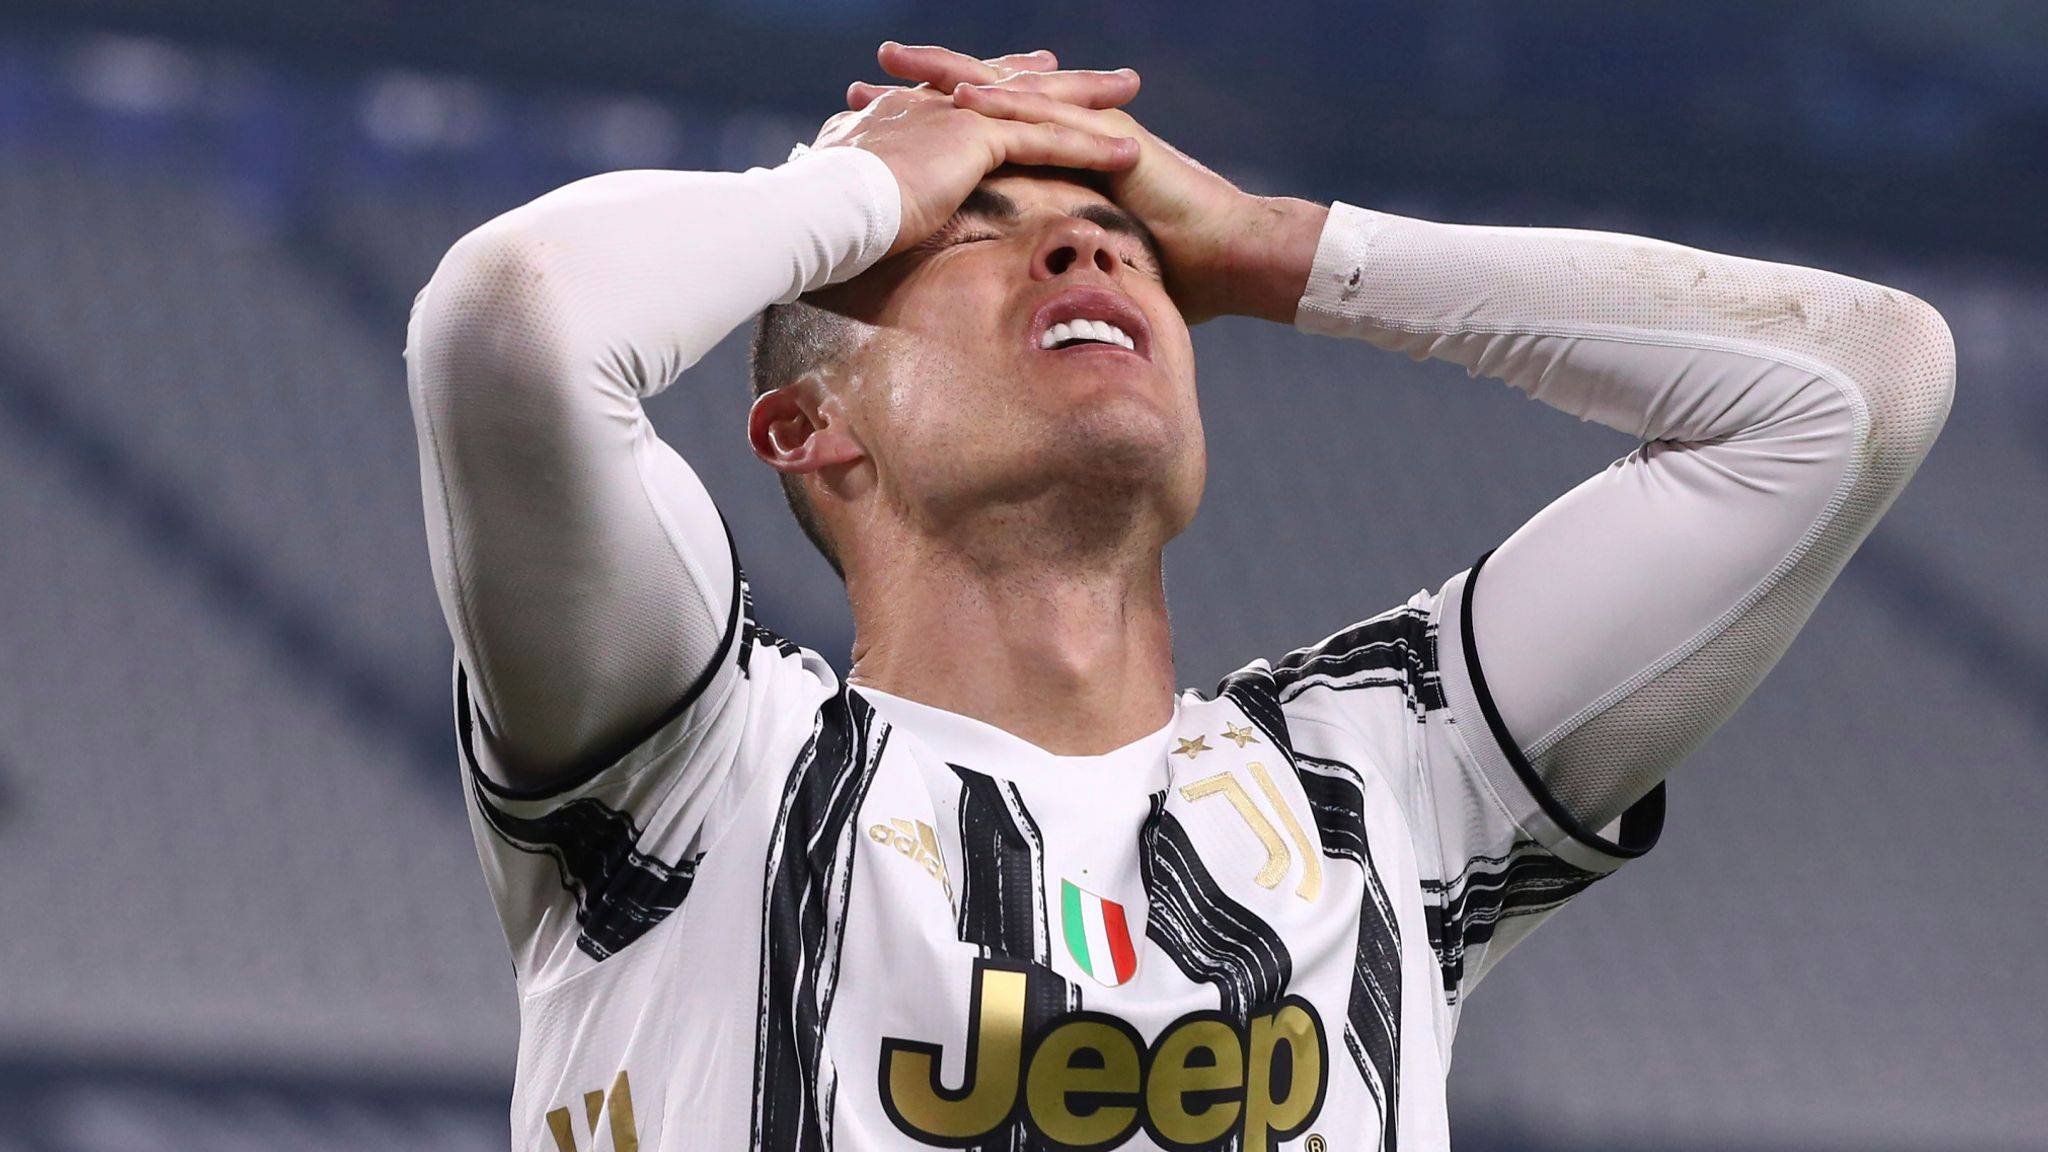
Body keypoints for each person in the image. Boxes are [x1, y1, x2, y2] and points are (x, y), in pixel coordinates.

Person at [404, 41, 1953, 1152]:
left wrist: (1279, 246)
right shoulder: (702, 773)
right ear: (811, 429)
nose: (1084, 244)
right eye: (972, 236)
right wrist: (859, 187)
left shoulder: (1380, 782)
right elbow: (516, 324)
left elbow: (1862, 383)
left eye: (1126, 243)